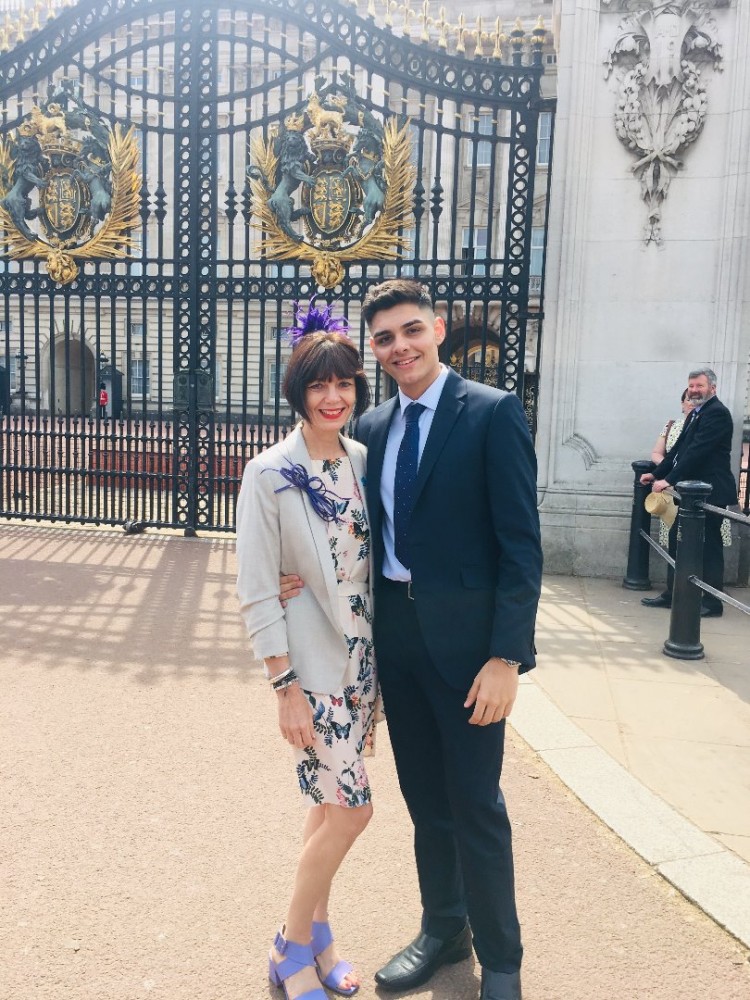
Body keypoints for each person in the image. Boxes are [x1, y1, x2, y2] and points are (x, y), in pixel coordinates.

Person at [283, 279, 542, 1000]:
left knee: (477, 807)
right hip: (397, 645)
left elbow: (521, 544)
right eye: (386, 339)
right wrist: (290, 576)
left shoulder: (491, 413)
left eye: (411, 331)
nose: (400, 347)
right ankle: (442, 929)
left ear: (438, 328)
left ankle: (503, 959)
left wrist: (506, 656)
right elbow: (334, 523)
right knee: (428, 805)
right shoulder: (372, 429)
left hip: (470, 656)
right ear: (376, 351)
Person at [235, 300, 377, 1000]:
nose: (333, 397)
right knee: (355, 810)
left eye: (344, 383)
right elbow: (258, 590)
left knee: (326, 806)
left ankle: (320, 937)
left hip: (362, 665)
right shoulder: (268, 473)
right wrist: (283, 685)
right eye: (319, 385)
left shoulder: (362, 460)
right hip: (310, 671)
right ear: (298, 392)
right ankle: (290, 948)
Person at [640, 366, 737, 617]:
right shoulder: (696, 414)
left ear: (712, 388)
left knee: (710, 546)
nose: (694, 390)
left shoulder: (717, 414)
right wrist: (658, 474)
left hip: (709, 492)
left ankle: (713, 602)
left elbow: (697, 453)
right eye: (691, 386)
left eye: (699, 386)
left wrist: (668, 479)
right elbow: (679, 449)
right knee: (676, 541)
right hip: (689, 493)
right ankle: (675, 593)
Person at [649, 389, 695, 549]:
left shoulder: (704, 425)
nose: (692, 403)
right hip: (673, 485)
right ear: (682, 404)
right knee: (675, 535)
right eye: (689, 399)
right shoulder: (673, 426)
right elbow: (657, 453)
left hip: (696, 487)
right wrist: (669, 468)